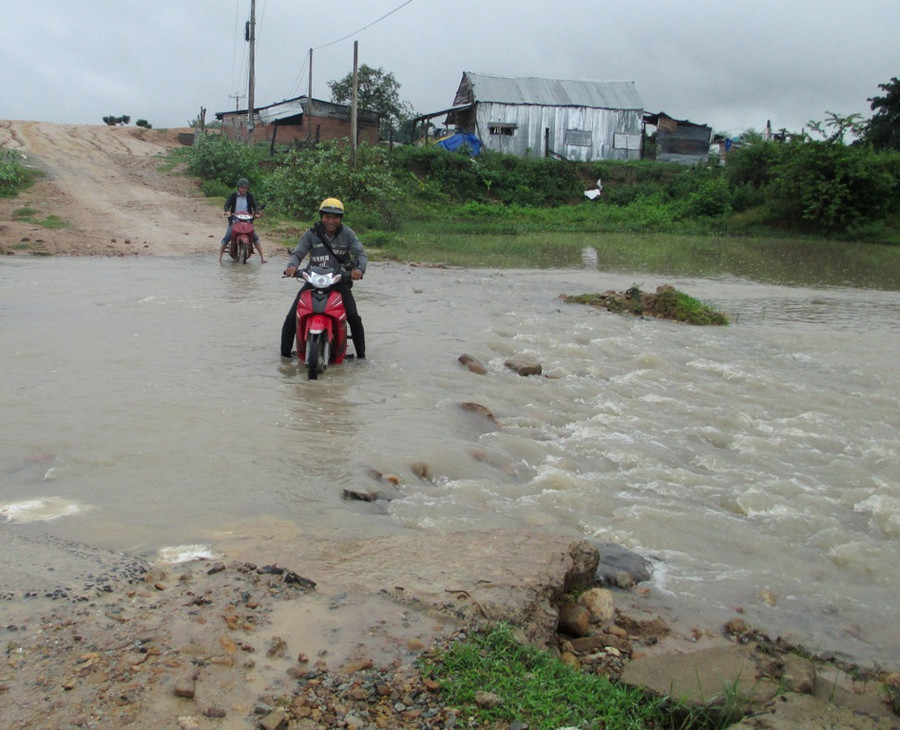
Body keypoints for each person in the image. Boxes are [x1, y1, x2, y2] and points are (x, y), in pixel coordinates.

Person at [281, 197, 367, 359]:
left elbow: (360, 254)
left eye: (335, 217)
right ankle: (284, 357)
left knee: (353, 317)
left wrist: (359, 270)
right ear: (321, 216)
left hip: (338, 282)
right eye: (327, 216)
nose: (331, 221)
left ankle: (362, 357)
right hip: (313, 281)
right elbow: (298, 252)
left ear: (340, 219)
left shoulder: (348, 234)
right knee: (292, 316)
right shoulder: (312, 234)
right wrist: (292, 267)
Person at [219, 177, 266, 263]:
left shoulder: (250, 197)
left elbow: (255, 206)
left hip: (247, 221)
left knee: (255, 238)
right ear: (238, 188)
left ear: (247, 189)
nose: (243, 190)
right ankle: (220, 258)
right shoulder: (233, 196)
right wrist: (227, 211)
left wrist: (256, 213)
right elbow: (227, 205)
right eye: (241, 188)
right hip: (235, 221)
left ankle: (263, 257)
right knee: (227, 237)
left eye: (245, 188)